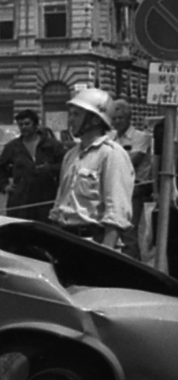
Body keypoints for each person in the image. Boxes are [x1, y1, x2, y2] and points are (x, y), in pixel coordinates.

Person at [50, 88, 134, 249]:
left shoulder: (112, 154)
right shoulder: (71, 155)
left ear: (95, 120)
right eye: (71, 114)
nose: (70, 120)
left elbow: (116, 212)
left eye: (77, 115)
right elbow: (59, 203)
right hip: (65, 240)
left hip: (93, 242)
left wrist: (106, 254)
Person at [0, 109, 65, 222]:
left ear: (36, 125)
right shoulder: (12, 147)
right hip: (21, 199)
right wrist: (4, 185)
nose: (23, 127)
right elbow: (0, 168)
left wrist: (50, 169)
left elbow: (66, 166)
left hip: (47, 197)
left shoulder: (52, 145)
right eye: (20, 124)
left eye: (27, 124)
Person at [111, 99, 154, 259]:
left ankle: (135, 265)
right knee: (113, 231)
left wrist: (110, 159)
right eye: (114, 118)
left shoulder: (141, 137)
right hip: (114, 188)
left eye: (120, 118)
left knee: (130, 232)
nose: (116, 122)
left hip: (134, 190)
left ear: (129, 118)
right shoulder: (110, 138)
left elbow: (132, 160)